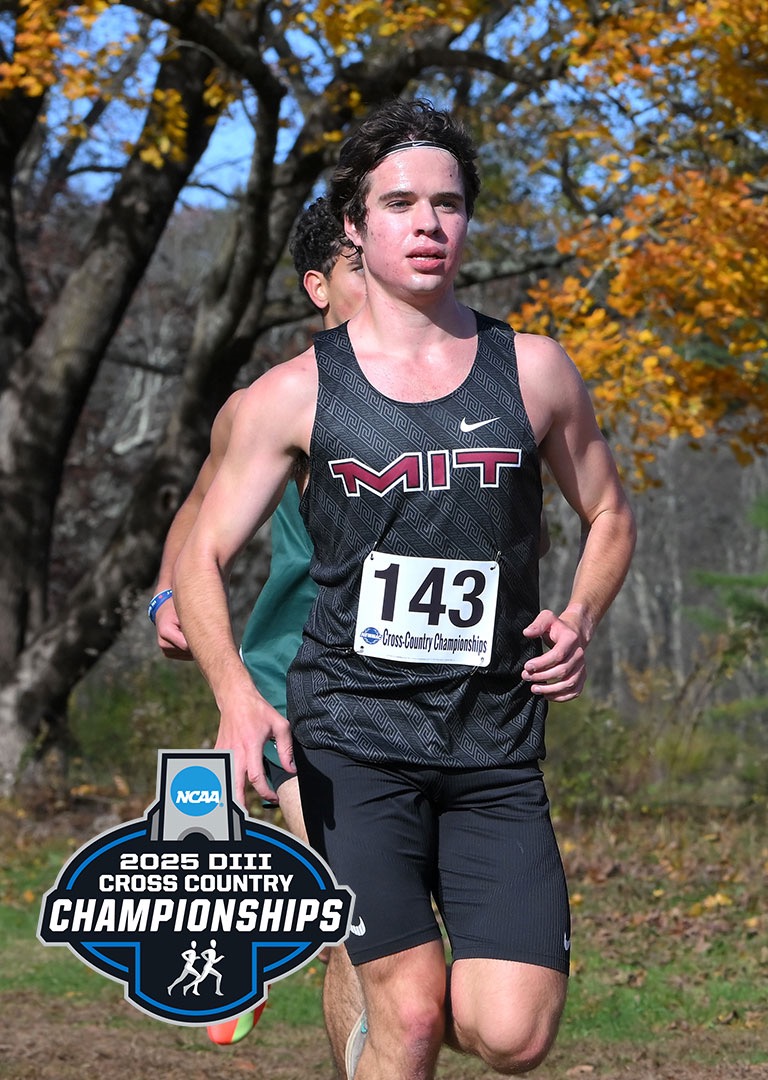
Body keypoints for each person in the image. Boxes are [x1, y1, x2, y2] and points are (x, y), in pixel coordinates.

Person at [174, 99, 636, 1080]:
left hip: (493, 740)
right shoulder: (292, 395)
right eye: (399, 203)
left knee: (513, 1033)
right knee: (415, 1012)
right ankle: (386, 1026)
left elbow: (609, 515)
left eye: (448, 204)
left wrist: (583, 612)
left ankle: (373, 1032)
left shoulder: (537, 372)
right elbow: (198, 551)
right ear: (354, 224)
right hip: (350, 740)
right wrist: (234, 692)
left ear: (468, 221)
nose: (427, 224)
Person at [149, 197, 368, 1059]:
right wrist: (168, 599)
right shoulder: (271, 402)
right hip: (290, 683)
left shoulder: (460, 386)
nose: (383, 274)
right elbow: (197, 514)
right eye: (356, 264)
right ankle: (216, 933)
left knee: (373, 916)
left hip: (427, 698)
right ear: (318, 286)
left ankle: (240, 922)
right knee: (361, 913)